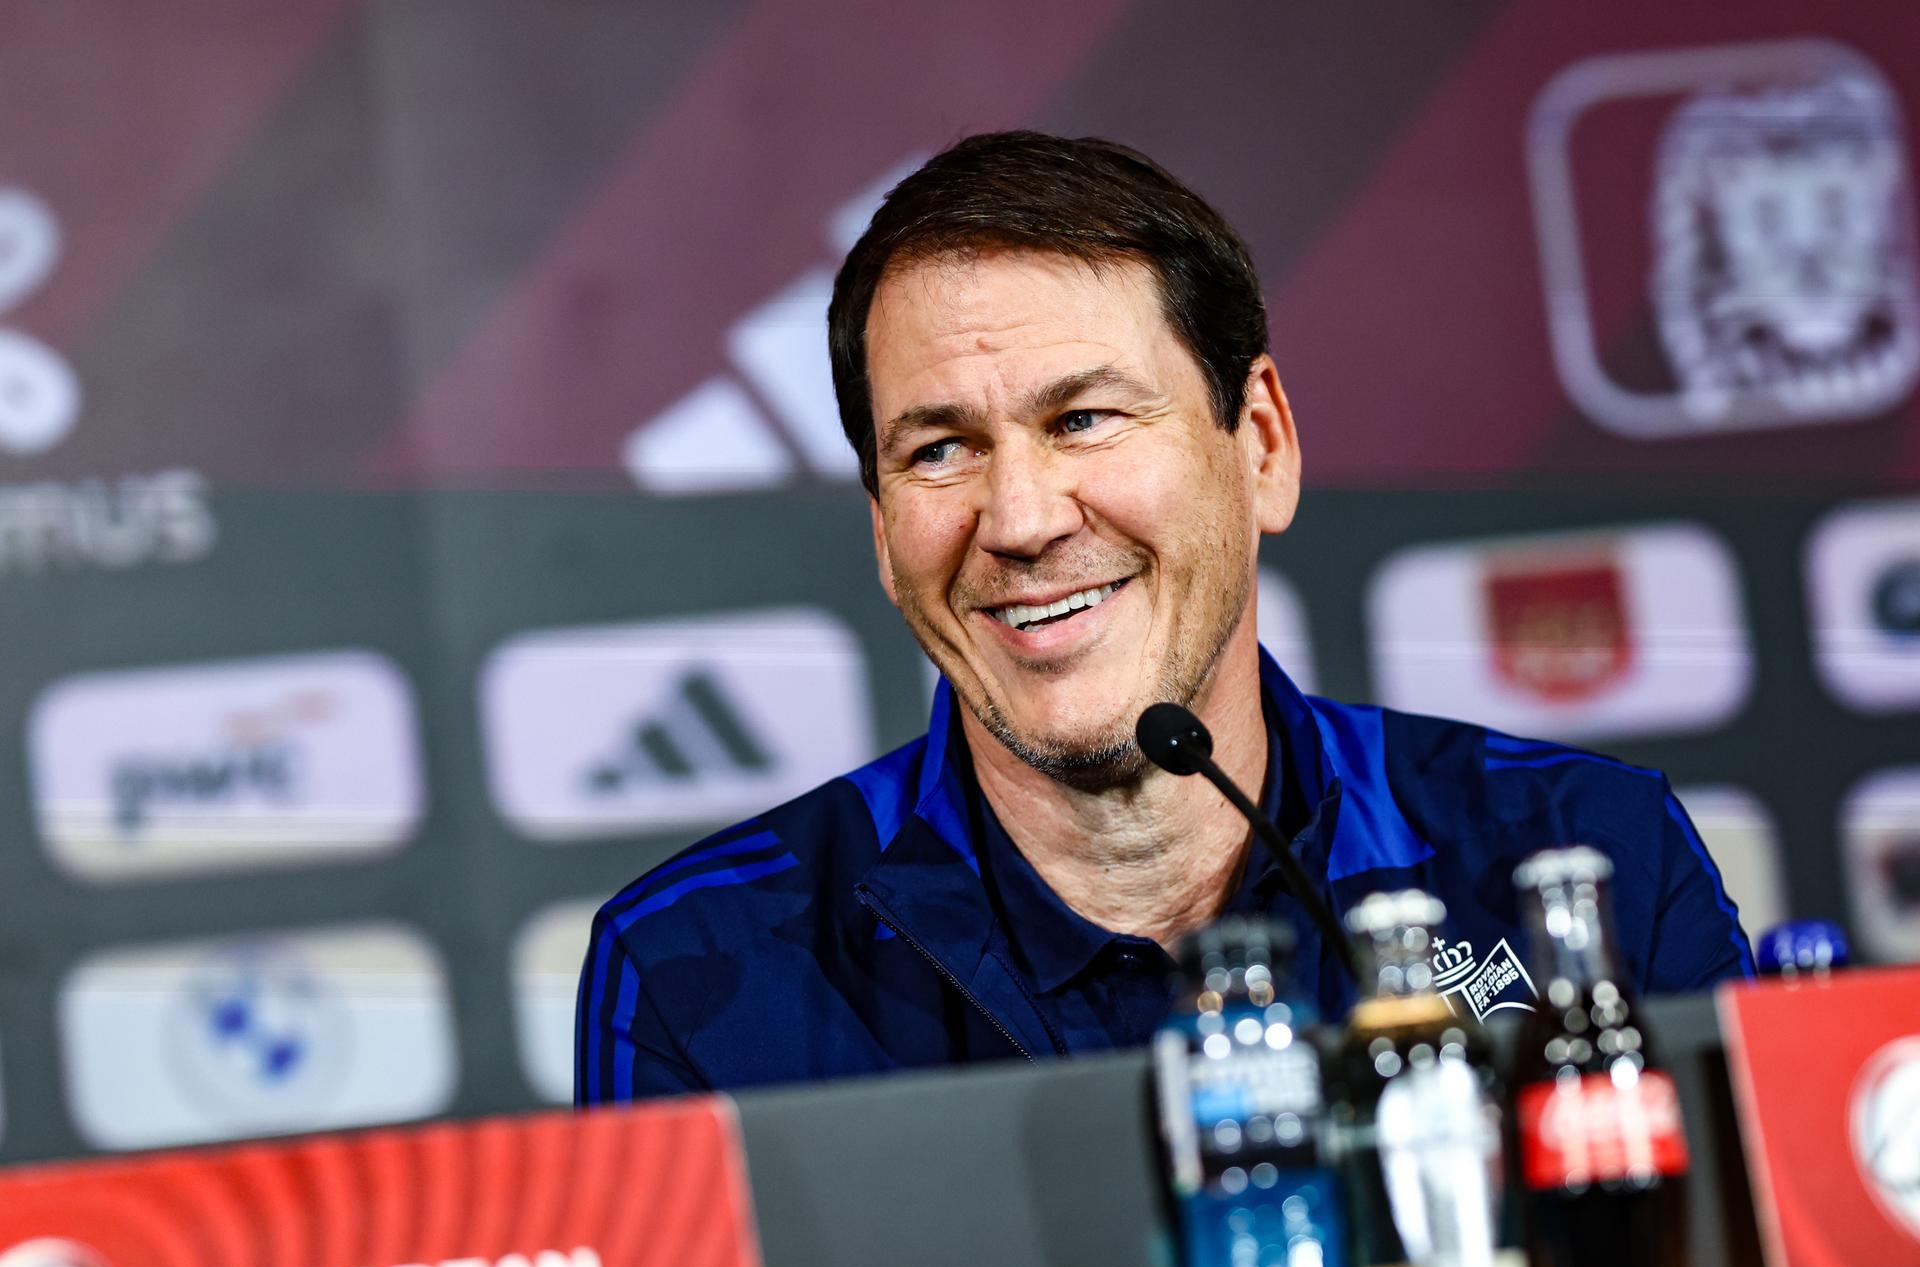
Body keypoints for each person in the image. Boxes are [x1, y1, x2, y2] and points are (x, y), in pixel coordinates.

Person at [575, 131, 1752, 1104]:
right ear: (884, 534)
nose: (1023, 518)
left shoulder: (1586, 861)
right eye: (940, 449)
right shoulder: (698, 973)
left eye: (1084, 418)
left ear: (1263, 448)